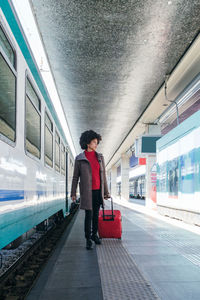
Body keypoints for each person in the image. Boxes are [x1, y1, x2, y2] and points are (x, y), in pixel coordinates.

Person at [70, 130, 110, 250]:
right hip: (87, 192)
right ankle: (88, 238)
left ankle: (94, 235)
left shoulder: (100, 157)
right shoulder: (79, 158)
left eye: (97, 142)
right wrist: (73, 193)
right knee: (89, 215)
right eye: (94, 142)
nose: (96, 144)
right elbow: (75, 177)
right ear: (88, 143)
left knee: (96, 215)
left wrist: (106, 192)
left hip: (98, 191)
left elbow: (103, 176)